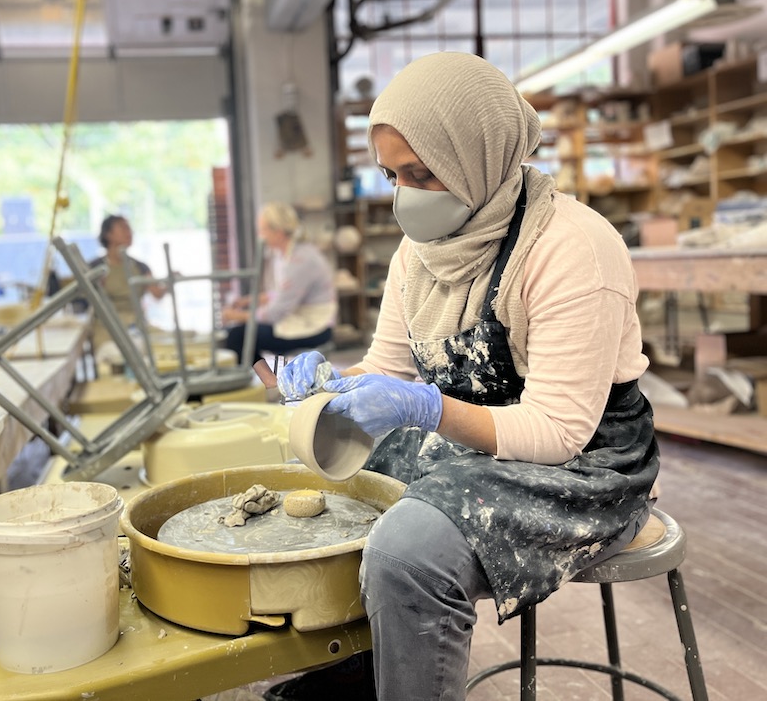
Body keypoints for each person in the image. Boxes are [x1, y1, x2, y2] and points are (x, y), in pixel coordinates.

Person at [271, 52, 659, 701]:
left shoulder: (571, 248)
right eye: (392, 175)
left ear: (477, 155)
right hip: (470, 440)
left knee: (409, 550)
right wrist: (331, 383)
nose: (405, 195)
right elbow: (387, 369)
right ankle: (373, 670)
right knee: (338, 481)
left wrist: (424, 408)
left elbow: (557, 430)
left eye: (422, 173)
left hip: (584, 463)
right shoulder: (419, 251)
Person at [223, 202, 336, 365]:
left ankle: (267, 380)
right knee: (237, 333)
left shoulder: (300, 259)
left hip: (315, 327)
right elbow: (282, 294)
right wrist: (247, 301)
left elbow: (277, 311)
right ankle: (267, 378)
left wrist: (238, 316)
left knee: (237, 336)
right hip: (300, 318)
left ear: (278, 232)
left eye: (262, 230)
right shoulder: (285, 254)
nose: (260, 235)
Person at [88, 215, 166, 341]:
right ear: (108, 234)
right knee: (113, 351)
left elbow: (157, 294)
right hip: (108, 328)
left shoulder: (140, 267)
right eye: (124, 228)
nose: (129, 232)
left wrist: (169, 282)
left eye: (129, 228)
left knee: (172, 343)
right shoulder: (95, 268)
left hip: (138, 325)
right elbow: (84, 299)